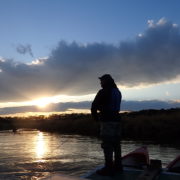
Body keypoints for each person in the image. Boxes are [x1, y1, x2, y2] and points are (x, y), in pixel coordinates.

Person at [91, 74, 122, 176]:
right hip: (117, 121)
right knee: (116, 145)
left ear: (106, 81)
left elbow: (94, 106)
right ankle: (118, 167)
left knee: (107, 145)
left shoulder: (103, 91)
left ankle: (108, 168)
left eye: (102, 81)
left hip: (107, 122)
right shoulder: (118, 92)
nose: (100, 83)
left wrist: (96, 119)